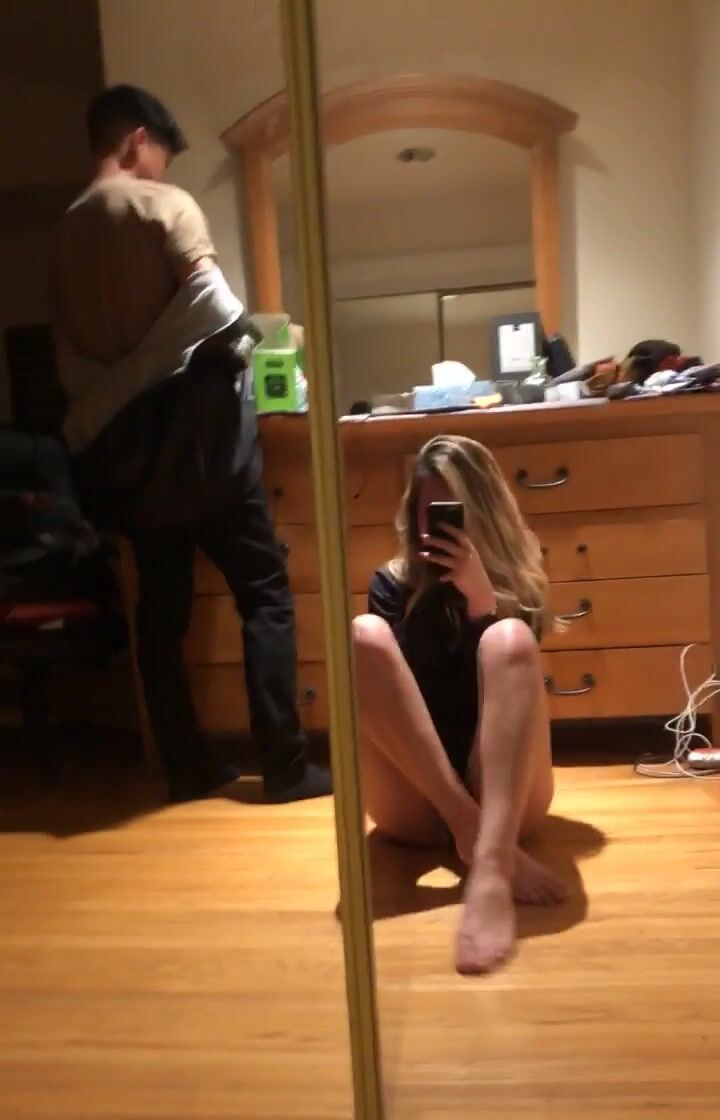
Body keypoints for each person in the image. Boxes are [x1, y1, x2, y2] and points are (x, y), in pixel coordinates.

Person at [52, 84, 331, 804]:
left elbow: (71, 361)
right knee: (264, 594)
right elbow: (214, 308)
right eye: (161, 158)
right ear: (137, 141)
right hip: (200, 447)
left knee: (160, 615)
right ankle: (285, 765)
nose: (162, 172)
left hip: (126, 458)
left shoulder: (64, 234)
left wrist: (122, 385)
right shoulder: (161, 205)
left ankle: (185, 767)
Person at [352, 434, 566, 976]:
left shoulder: (519, 580)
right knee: (363, 634)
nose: (435, 528)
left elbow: (508, 693)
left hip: (507, 801)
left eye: (451, 513)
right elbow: (398, 701)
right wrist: (462, 817)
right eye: (427, 513)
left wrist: (482, 605)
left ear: (482, 511)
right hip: (420, 796)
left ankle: (490, 868)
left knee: (509, 639)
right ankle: (474, 835)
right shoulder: (392, 584)